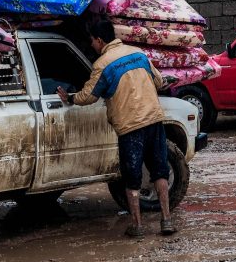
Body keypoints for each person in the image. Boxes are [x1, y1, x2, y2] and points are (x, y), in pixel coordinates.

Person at [56, 19, 176, 237]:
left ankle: (137, 225)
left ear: (100, 40)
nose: (91, 45)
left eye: (92, 41)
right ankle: (166, 220)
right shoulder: (138, 54)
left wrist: (70, 98)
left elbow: (89, 96)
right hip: (154, 120)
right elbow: (158, 82)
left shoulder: (103, 64)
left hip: (130, 127)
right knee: (160, 171)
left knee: (132, 179)